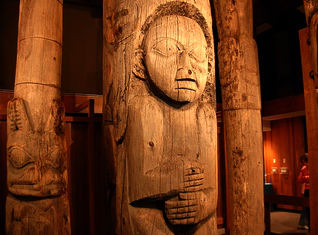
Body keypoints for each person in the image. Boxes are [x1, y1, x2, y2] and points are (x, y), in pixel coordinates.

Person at [297, 153, 310, 230]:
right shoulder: (303, 169)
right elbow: (299, 180)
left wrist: (306, 178)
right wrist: (306, 178)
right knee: (306, 207)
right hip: (306, 190)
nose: (304, 164)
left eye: (304, 162)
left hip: (313, 191)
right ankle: (305, 224)